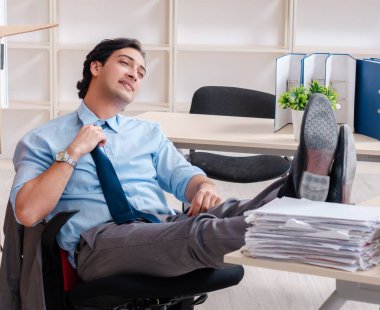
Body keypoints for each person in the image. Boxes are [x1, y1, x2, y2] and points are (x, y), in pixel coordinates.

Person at [10, 38, 356, 282]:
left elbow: (183, 175)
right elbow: (26, 212)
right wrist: (73, 153)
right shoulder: (44, 139)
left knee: (229, 209)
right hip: (100, 244)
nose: (134, 74)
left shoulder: (147, 132)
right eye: (125, 63)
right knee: (198, 231)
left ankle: (298, 186)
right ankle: (298, 207)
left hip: (160, 226)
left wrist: (203, 185)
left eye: (141, 72)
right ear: (95, 67)